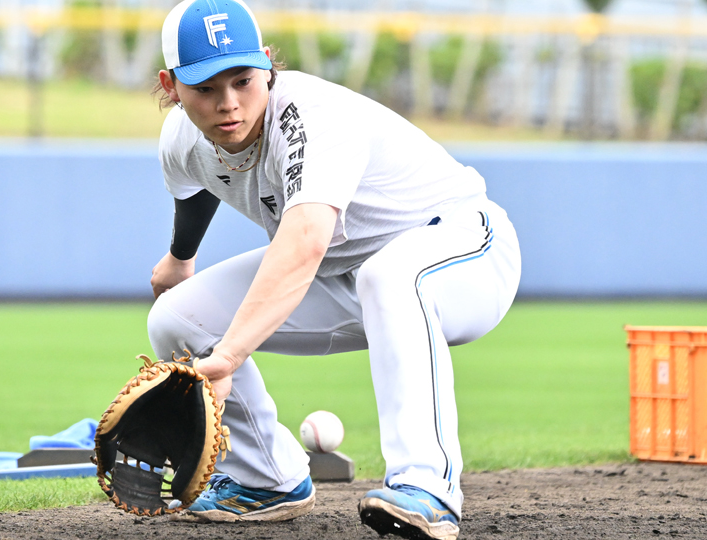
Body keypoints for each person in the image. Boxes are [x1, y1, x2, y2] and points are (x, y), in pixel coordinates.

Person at [145, 1, 521, 538]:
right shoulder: (181, 138)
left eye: (244, 81)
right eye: (206, 88)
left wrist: (228, 356)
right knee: (176, 319)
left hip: (463, 249)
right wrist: (181, 257)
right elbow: (197, 184)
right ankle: (265, 478)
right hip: (348, 274)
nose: (229, 104)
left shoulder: (312, 115)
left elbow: (303, 243)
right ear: (171, 85)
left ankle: (427, 487)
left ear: (268, 65)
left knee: (389, 276)